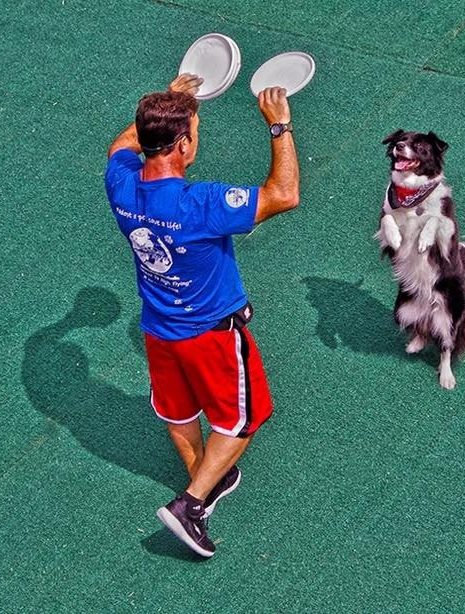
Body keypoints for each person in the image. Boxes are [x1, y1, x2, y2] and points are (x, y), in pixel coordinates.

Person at [104, 74, 300, 558]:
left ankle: (206, 479)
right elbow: (284, 193)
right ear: (184, 145)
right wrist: (279, 126)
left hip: (158, 331)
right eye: (195, 130)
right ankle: (190, 505)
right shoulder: (201, 203)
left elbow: (121, 145)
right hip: (212, 338)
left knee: (179, 412)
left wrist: (173, 101)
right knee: (243, 420)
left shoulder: (121, 185)